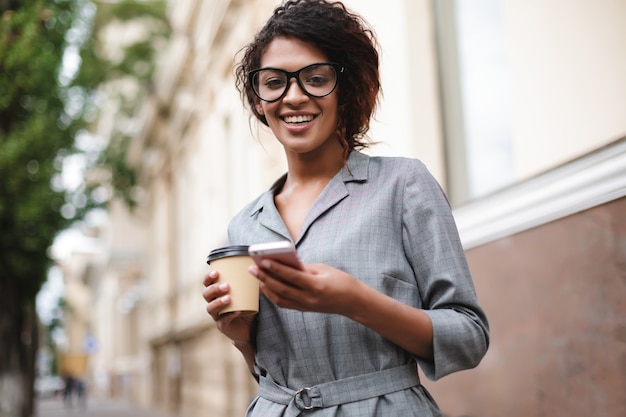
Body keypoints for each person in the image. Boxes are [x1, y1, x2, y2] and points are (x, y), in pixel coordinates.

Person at [202, 1, 489, 415]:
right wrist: (242, 337)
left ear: (347, 87)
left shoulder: (403, 185)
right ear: (258, 97)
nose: (293, 97)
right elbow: (269, 373)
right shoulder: (246, 225)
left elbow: (470, 337)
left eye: (316, 79)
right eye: (274, 82)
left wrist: (356, 301)